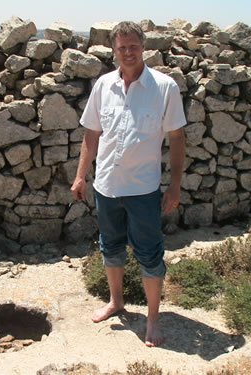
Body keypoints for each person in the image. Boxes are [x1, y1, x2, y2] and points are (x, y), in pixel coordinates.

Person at [70, 21, 186, 347]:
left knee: (150, 254)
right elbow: (91, 133)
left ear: (143, 46)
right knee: (111, 247)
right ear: (114, 50)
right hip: (106, 186)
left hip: (143, 189)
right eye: (122, 48)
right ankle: (116, 302)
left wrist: (175, 186)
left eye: (133, 46)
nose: (128, 53)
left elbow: (177, 139)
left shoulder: (164, 87)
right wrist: (81, 175)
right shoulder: (103, 85)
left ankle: (152, 319)